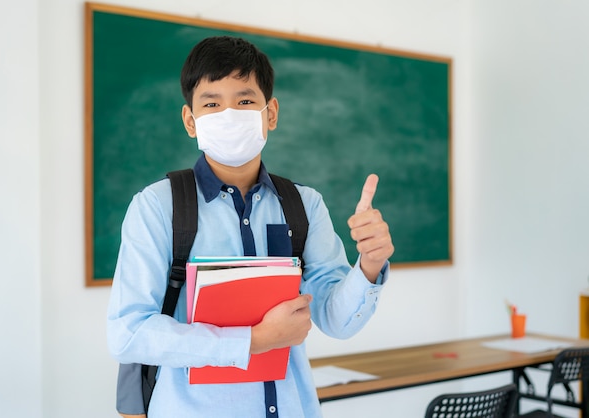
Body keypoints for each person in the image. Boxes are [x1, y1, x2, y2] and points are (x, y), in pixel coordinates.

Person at [107, 35, 394, 418]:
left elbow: (335, 320)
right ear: (190, 121)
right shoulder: (158, 207)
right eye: (212, 103)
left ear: (270, 113)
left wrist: (369, 265)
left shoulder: (303, 205)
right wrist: (252, 341)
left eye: (245, 101)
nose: (229, 114)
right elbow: (128, 333)